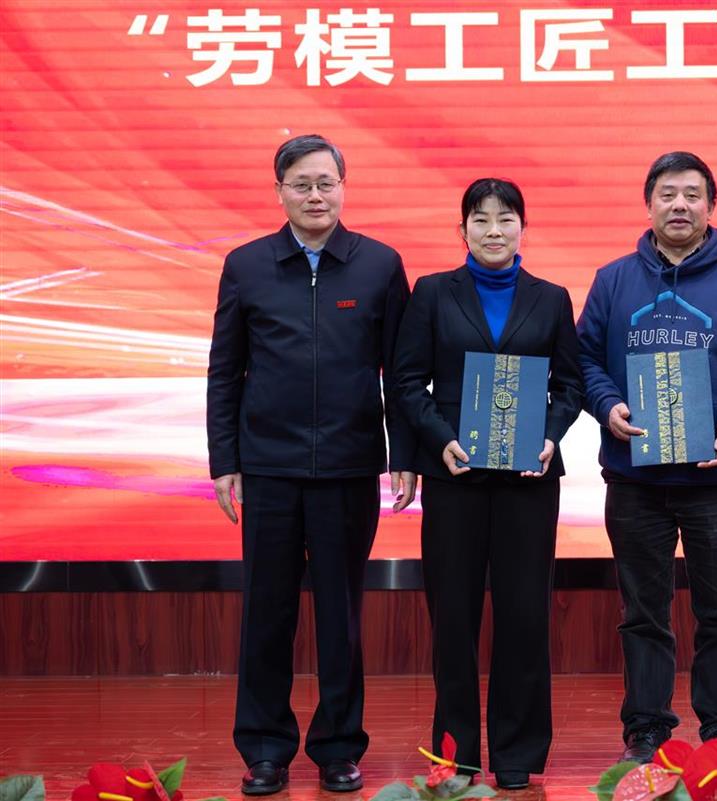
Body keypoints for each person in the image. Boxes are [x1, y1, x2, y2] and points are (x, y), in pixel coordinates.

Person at [206, 134, 416, 794]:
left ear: (343, 188)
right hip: (268, 467)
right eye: (302, 184)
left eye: (326, 182)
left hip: (349, 468)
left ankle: (338, 746)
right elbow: (225, 371)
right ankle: (265, 748)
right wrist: (224, 459)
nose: (315, 195)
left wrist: (403, 454)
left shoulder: (380, 265)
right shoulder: (247, 265)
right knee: (266, 613)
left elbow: (401, 374)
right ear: (280, 192)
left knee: (340, 616)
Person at [576, 152, 717, 773]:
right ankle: (645, 730)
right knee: (642, 612)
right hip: (634, 478)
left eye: (692, 195)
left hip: (714, 479)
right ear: (649, 204)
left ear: (710, 207)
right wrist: (607, 404)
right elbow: (583, 358)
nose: (679, 205)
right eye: (667, 194)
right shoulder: (613, 281)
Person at [392, 178, 584, 791]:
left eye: (505, 219)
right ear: (462, 230)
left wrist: (550, 435)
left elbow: (571, 385)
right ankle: (456, 754)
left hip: (529, 478)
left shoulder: (551, 298)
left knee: (524, 615)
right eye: (480, 219)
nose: (493, 230)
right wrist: (438, 438)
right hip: (456, 475)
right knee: (453, 618)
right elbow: (407, 381)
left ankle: (517, 751)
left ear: (523, 228)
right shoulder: (432, 293)